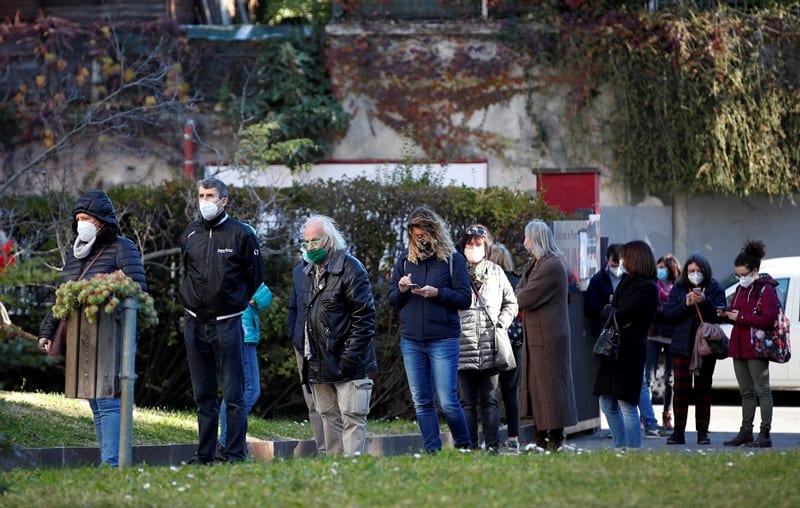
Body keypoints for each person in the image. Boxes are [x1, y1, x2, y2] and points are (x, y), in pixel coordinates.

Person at [37, 190, 147, 467]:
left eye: (86, 218)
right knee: (95, 401)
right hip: (81, 337)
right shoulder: (75, 254)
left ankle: (112, 463)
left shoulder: (123, 248)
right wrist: (47, 331)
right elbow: (62, 296)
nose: (81, 223)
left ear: (102, 221)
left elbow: (137, 292)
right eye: (78, 218)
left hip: (112, 335)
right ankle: (108, 459)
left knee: (108, 399)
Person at [179, 177, 265, 464]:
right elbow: (186, 270)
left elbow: (255, 277)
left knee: (234, 395)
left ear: (224, 200)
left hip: (229, 323)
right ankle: (204, 455)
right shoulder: (190, 233)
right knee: (203, 395)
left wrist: (233, 300)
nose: (205, 200)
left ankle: (234, 455)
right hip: (194, 324)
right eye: (201, 194)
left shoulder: (241, 235)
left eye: (211, 195)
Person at [388, 206, 473, 453]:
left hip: (443, 339)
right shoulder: (404, 261)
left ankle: (464, 445)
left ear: (434, 232)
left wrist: (437, 293)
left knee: (447, 401)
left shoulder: (452, 259)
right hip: (411, 339)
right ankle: (432, 451)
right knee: (422, 401)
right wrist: (403, 289)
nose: (419, 240)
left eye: (423, 235)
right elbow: (392, 299)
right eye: (415, 236)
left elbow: (465, 298)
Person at [299, 215, 377, 457]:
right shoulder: (308, 271)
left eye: (315, 241)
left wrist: (348, 359)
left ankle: (352, 469)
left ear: (330, 241)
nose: (310, 247)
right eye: (306, 243)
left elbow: (364, 319)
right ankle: (335, 470)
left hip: (348, 361)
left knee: (352, 417)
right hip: (320, 361)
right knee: (328, 417)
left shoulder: (351, 269)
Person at [455, 226, 518, 453]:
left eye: (478, 244)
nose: (472, 248)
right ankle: (471, 447)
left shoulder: (496, 272)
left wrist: (501, 323)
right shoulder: (456, 272)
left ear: (487, 247)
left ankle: (492, 446)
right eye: (469, 244)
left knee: (490, 401)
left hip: (491, 346)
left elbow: (512, 303)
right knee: (467, 403)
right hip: (463, 345)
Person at [516, 219, 578, 451]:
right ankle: (540, 437)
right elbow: (521, 290)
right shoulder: (537, 263)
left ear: (536, 239)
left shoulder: (551, 266)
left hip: (549, 338)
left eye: (527, 238)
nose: (525, 243)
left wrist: (519, 294)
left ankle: (554, 438)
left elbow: (525, 296)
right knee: (538, 386)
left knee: (551, 386)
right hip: (538, 335)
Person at [592, 240, 658, 450]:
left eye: (624, 258)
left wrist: (612, 310)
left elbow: (620, 312)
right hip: (613, 349)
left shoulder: (648, 288)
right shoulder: (626, 282)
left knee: (626, 403)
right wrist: (612, 310)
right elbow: (612, 310)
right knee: (606, 402)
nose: (621, 263)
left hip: (629, 351)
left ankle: (632, 451)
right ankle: (619, 447)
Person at [663, 253, 726, 445]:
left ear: (705, 271)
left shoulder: (715, 288)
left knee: (703, 389)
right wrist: (686, 303)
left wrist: (704, 302)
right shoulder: (679, 289)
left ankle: (702, 433)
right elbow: (668, 315)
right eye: (691, 271)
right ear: (686, 272)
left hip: (705, 348)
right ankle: (678, 432)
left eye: (699, 271)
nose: (695, 274)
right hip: (682, 346)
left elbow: (720, 315)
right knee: (680, 389)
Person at [722, 240, 779, 448]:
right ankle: (746, 431)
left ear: (755, 270)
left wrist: (742, 318)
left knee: (762, 390)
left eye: (744, 274)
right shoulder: (740, 289)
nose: (741, 278)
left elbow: (768, 319)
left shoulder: (767, 290)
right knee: (746, 392)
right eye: (738, 275)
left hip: (756, 348)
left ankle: (765, 433)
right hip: (738, 346)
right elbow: (737, 314)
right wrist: (727, 314)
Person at [218, 281, 272, 455]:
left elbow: (264, 298)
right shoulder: (240, 265)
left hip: (235, 333)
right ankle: (228, 441)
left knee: (234, 391)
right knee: (250, 390)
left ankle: (228, 442)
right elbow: (261, 295)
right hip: (242, 334)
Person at [288, 260, 331, 454]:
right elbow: (293, 307)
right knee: (312, 403)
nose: (308, 246)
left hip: (326, 346)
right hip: (302, 345)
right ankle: (323, 450)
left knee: (329, 402)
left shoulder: (339, 268)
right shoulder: (298, 272)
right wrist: (294, 336)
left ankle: (336, 449)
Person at [488, 242, 523, 453]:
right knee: (511, 390)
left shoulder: (488, 281)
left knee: (489, 391)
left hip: (491, 340)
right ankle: (513, 437)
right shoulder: (517, 280)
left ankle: (491, 438)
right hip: (513, 340)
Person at [647, 254, 681, 431]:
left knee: (670, 379)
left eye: (663, 268)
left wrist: (665, 313)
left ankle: (667, 414)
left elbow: (676, 312)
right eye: (658, 267)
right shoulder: (653, 286)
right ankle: (647, 416)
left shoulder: (678, 288)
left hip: (671, 337)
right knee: (649, 378)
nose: (659, 271)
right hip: (653, 335)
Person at [584, 243, 624, 339]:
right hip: (605, 330)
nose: (617, 269)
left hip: (625, 329)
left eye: (620, 265)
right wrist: (608, 304)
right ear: (607, 259)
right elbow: (589, 307)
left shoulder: (629, 278)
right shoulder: (598, 279)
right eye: (613, 265)